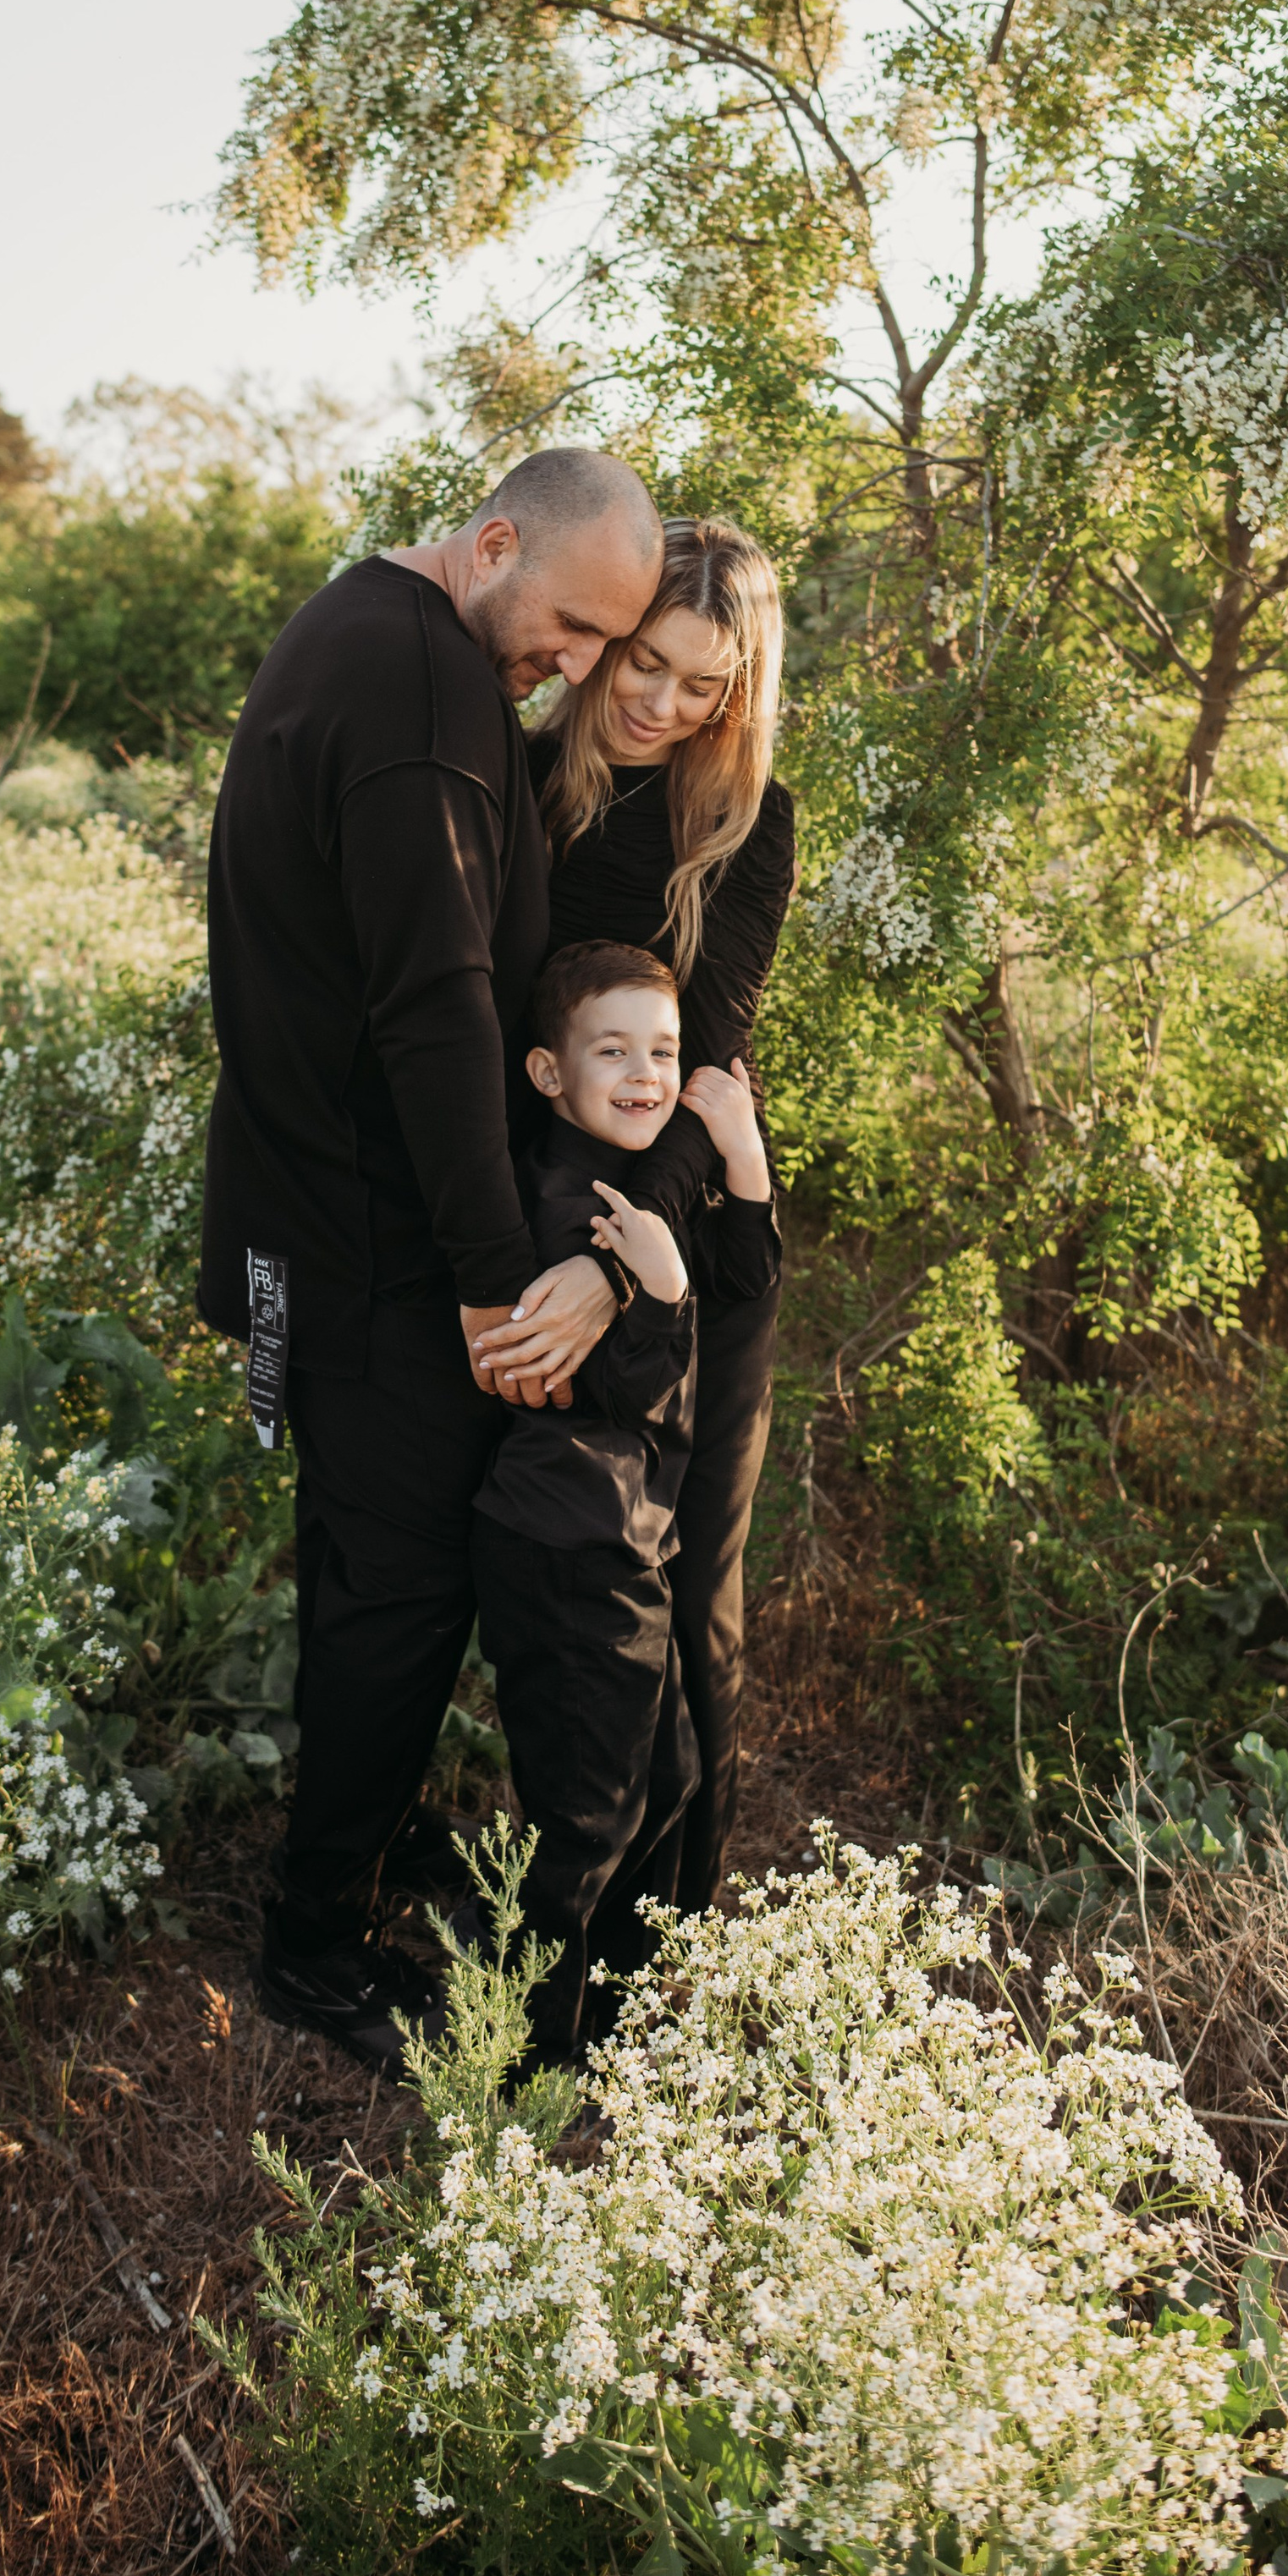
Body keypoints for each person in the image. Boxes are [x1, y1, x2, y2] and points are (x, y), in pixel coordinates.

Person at [199, 448, 665, 2072]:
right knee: (392, 1607)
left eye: (611, 646)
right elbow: (433, 1016)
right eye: (575, 625)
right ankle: (317, 1952)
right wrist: (490, 1277)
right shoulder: (417, 702)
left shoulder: (353, 632)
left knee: (366, 1581)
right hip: (380, 1257)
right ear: (488, 546)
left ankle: (347, 1894)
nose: (583, 667)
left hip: (308, 1225)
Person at [502, 518, 793, 1913]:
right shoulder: (517, 777)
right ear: (604, 632)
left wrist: (622, 1272)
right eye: (645, 661)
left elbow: (709, 1069)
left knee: (693, 1583)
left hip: (681, 1245)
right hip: (516, 1231)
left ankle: (670, 1928)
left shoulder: (746, 825)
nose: (661, 703)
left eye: (702, 686)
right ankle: (547, 1892)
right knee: (553, 1573)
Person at [471, 939, 778, 2063]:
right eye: (615, 1051)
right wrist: (658, 1287)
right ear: (552, 1073)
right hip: (567, 1552)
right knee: (589, 1815)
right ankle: (527, 2049)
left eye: (666, 1050)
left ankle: (616, 2012)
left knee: (670, 1780)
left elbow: (742, 1290)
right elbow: (617, 1382)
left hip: (620, 1548)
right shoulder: (560, 1207)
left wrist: (739, 1159)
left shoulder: (639, 1188)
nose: (648, 1074)